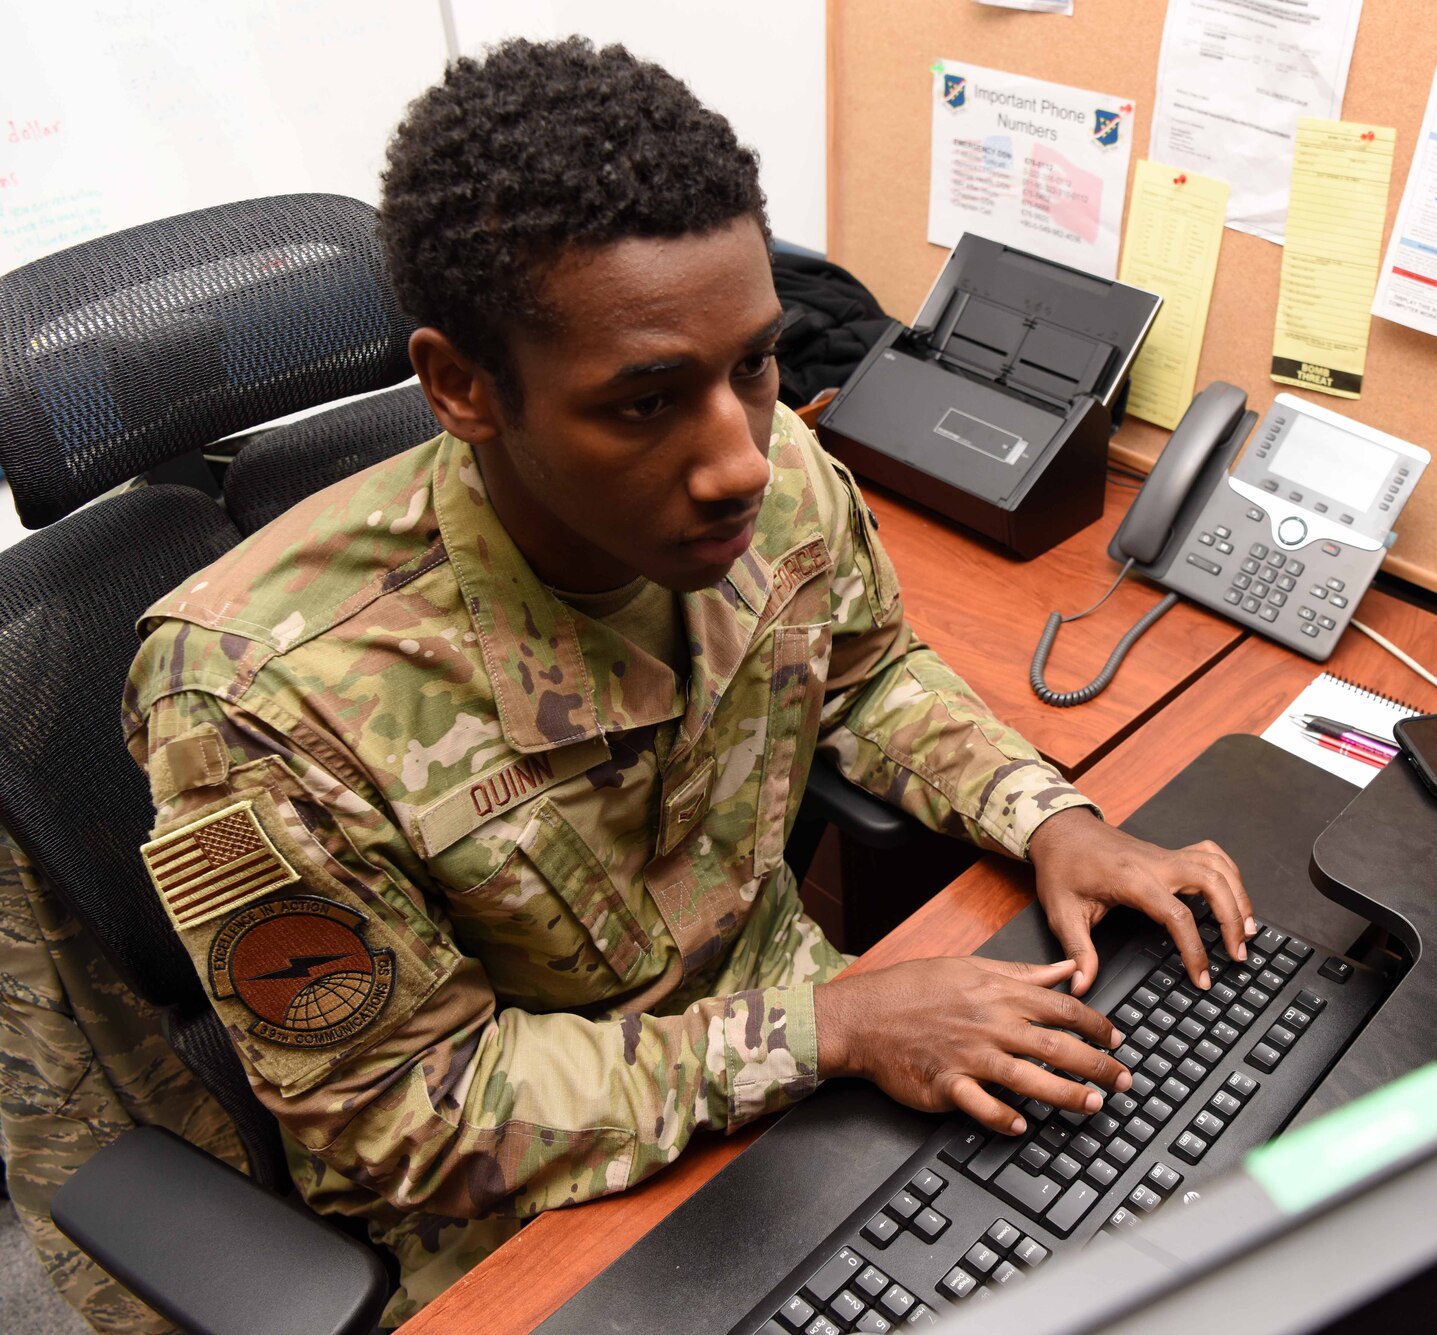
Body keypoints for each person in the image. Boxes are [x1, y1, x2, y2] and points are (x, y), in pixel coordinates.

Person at [122, 37, 1253, 1324]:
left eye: (755, 366)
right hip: (525, 1207)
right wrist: (821, 1030)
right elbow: (400, 1120)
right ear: (462, 388)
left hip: (813, 1058)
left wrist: (1047, 817)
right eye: (648, 400)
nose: (740, 460)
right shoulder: (261, 705)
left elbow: (868, 676)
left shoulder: (769, 484)